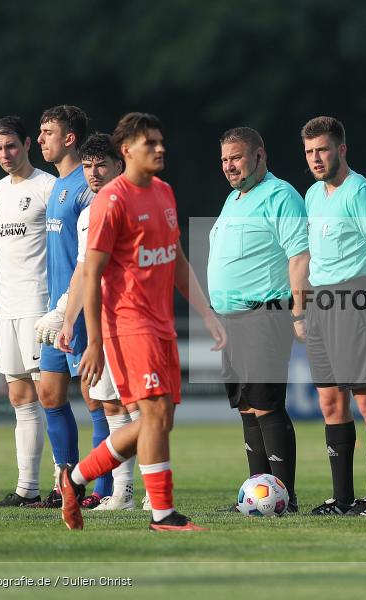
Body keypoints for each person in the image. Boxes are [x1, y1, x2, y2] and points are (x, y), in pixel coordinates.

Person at [60, 112, 227, 531]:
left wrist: (207, 314)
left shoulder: (166, 193)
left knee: (159, 420)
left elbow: (177, 260)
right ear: (127, 150)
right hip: (128, 324)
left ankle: (75, 478)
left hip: (162, 324)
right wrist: (95, 342)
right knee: (152, 415)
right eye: (149, 142)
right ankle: (163, 514)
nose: (159, 148)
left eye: (160, 140)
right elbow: (91, 275)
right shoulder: (111, 201)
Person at [300, 116, 366, 516]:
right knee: (330, 402)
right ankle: (342, 499)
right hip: (320, 302)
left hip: (354, 297)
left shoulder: (361, 193)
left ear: (341, 149)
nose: (316, 158)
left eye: (323, 149)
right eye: (309, 152)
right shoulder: (312, 194)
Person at [208, 127, 307, 511]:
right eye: (224, 160)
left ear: (259, 156)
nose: (229, 166)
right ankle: (256, 494)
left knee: (267, 405)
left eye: (236, 157)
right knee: (248, 407)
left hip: (263, 314)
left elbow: (299, 256)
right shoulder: (234, 199)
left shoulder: (280, 195)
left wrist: (299, 312)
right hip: (229, 319)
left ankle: (285, 497)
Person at [54, 132, 138, 511]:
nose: (93, 173)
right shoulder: (88, 213)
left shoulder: (134, 203)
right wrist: (68, 320)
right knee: (112, 407)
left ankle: (152, 490)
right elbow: (83, 270)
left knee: (140, 408)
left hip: (132, 319)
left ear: (119, 165)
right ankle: (121, 493)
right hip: (100, 321)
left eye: (100, 164)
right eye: (87, 166)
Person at [0, 116, 54, 506]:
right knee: (18, 396)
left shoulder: (48, 187)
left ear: (27, 143)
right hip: (8, 304)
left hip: (38, 303)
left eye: (11, 146)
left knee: (50, 395)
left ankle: (67, 483)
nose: (5, 155)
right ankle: (27, 488)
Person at [32, 105, 94, 507]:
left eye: (47, 132)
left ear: (69, 138)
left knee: (98, 400)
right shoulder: (56, 187)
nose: (40, 139)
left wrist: (71, 306)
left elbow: (90, 260)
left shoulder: (86, 187)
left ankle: (108, 490)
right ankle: (66, 483)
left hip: (84, 311)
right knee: (50, 396)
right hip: (57, 312)